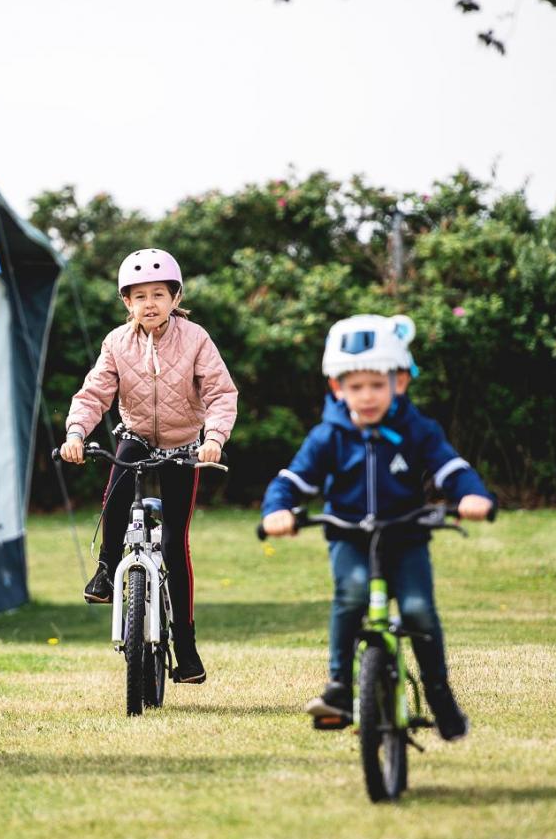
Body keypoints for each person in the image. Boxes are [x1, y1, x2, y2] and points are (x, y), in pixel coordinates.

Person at [258, 314, 492, 741]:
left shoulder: (417, 429)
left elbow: (450, 468)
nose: (367, 397)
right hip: (349, 536)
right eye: (356, 387)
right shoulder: (329, 436)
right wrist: (278, 509)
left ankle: (440, 695)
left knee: (419, 609)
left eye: (377, 385)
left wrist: (471, 495)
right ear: (338, 388)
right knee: (351, 594)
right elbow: (293, 479)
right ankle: (340, 689)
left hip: (405, 538)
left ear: (399, 383)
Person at [60, 248, 238, 684]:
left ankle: (186, 647)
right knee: (117, 497)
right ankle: (105, 569)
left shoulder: (196, 339)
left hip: (182, 444)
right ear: (127, 303)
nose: (150, 303)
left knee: (175, 544)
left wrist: (213, 439)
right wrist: (76, 434)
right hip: (135, 436)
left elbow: (220, 393)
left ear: (175, 298)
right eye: (139, 296)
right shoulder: (116, 343)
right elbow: (94, 394)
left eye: (159, 294)